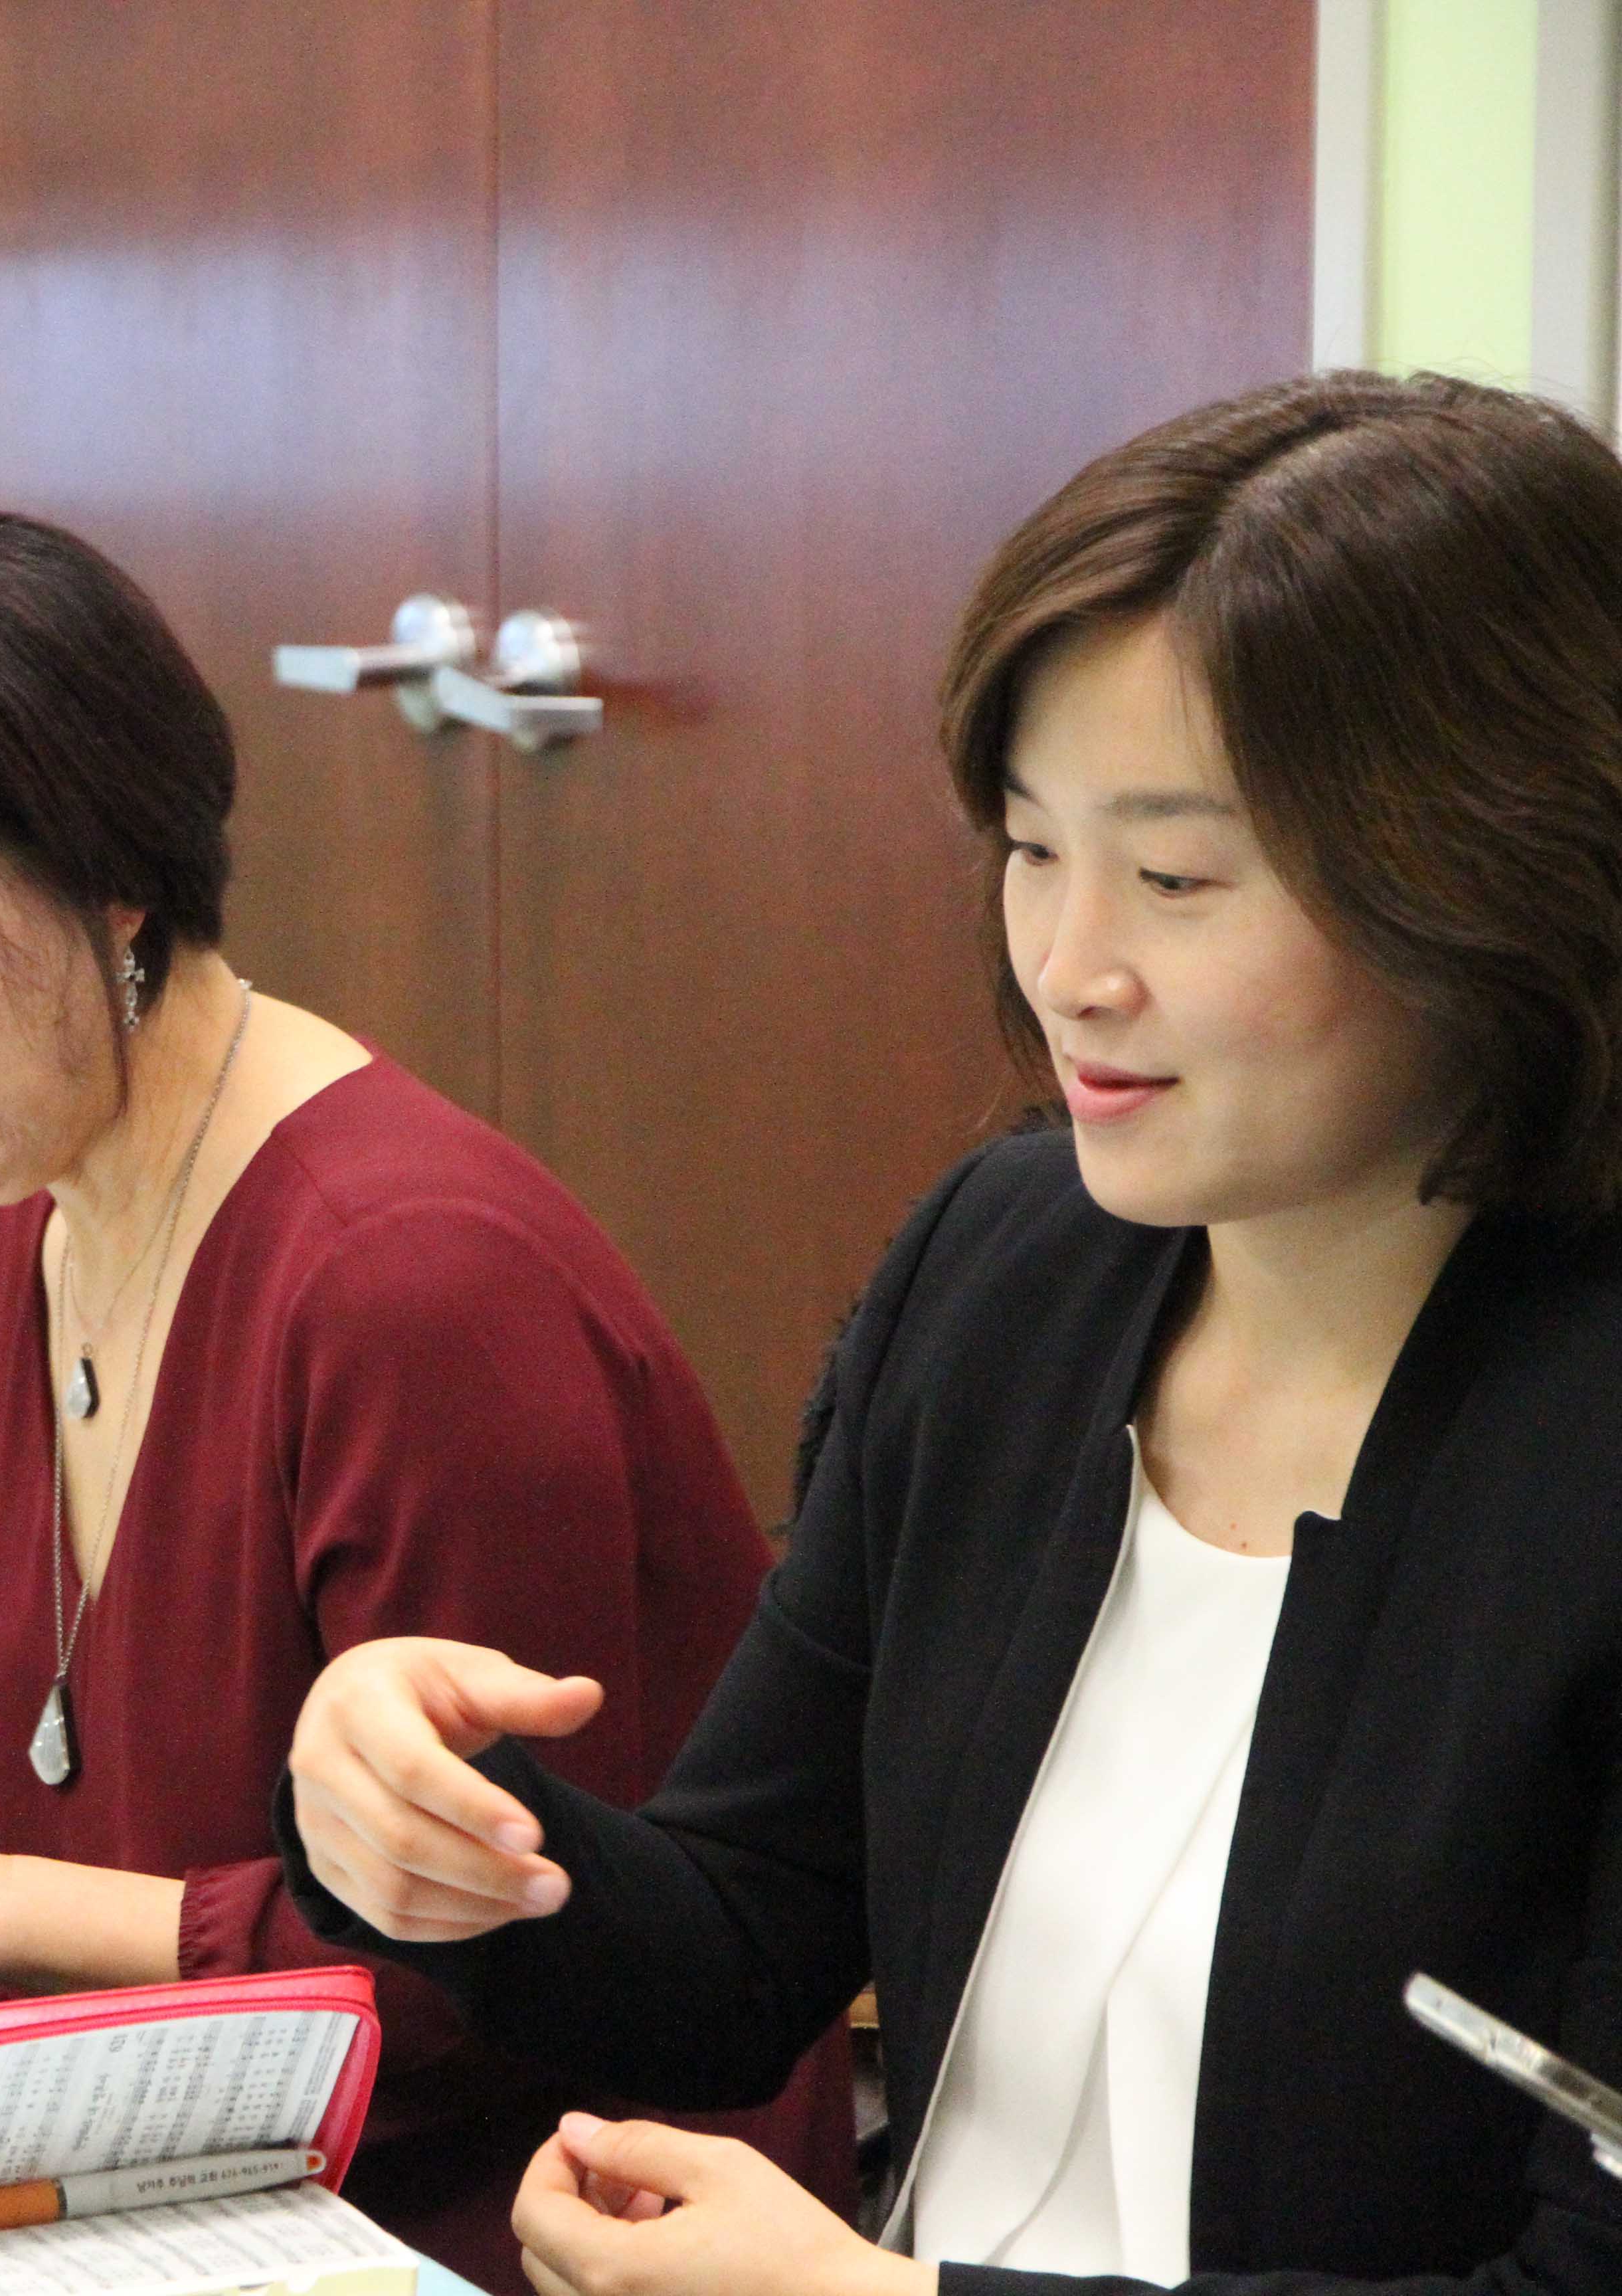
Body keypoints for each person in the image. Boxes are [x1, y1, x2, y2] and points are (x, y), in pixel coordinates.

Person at [280, 371, 1622, 2295]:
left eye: (1175, 877)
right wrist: (433, 1832)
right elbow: (740, 1939)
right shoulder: (1009, 1271)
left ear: (1493, 873)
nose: (1071, 966)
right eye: (1027, 846)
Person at [0, 506, 850, 2287]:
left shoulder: (411, 1281)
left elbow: (486, 1976)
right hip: (157, 2167)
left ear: (105, 872)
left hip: (525, 2211)